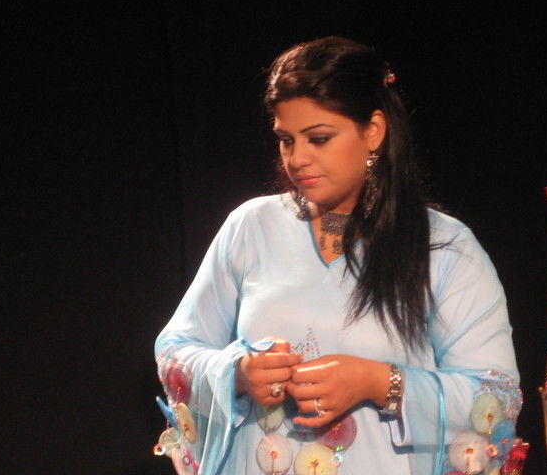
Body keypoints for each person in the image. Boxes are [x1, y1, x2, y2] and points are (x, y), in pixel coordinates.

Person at [153, 37, 522, 475]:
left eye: (319, 138)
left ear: (374, 131)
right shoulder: (251, 227)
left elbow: (496, 396)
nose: (297, 159)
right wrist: (238, 372)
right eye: (286, 140)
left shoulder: (442, 246)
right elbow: (177, 349)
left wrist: (379, 382)